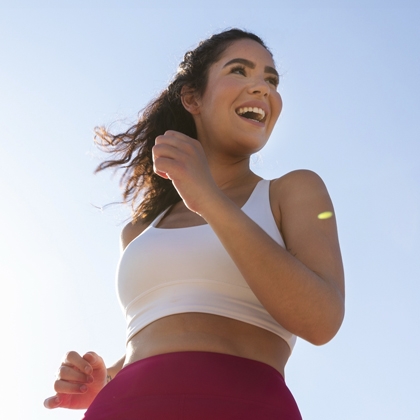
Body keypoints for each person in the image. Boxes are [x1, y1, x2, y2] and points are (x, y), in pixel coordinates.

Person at [44, 28, 345, 419]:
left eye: (270, 80)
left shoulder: (293, 191)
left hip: (244, 407)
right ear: (192, 97)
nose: (262, 88)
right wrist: (106, 379)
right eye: (240, 71)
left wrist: (210, 201)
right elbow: (162, 333)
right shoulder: (138, 232)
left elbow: (320, 321)